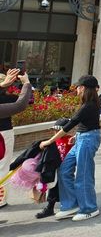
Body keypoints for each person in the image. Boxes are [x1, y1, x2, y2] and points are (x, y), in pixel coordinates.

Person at [39, 75, 101, 221]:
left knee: (83, 175)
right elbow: (86, 123)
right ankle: (70, 205)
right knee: (64, 169)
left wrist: (49, 141)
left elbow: (68, 126)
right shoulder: (88, 104)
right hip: (83, 138)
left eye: (78, 87)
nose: (77, 89)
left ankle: (90, 208)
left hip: (87, 140)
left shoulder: (88, 105)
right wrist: (78, 135)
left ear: (84, 88)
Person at [0, 68, 33, 208]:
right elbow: (26, 102)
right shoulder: (7, 99)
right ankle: (1, 199)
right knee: (2, 167)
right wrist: (26, 84)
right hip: (3, 134)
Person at [35, 118, 74, 219]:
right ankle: (50, 207)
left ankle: (73, 204)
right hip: (56, 168)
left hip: (66, 168)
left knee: (68, 186)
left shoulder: (70, 140)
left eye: (58, 130)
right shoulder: (54, 140)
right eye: (55, 130)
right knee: (53, 187)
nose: (56, 132)